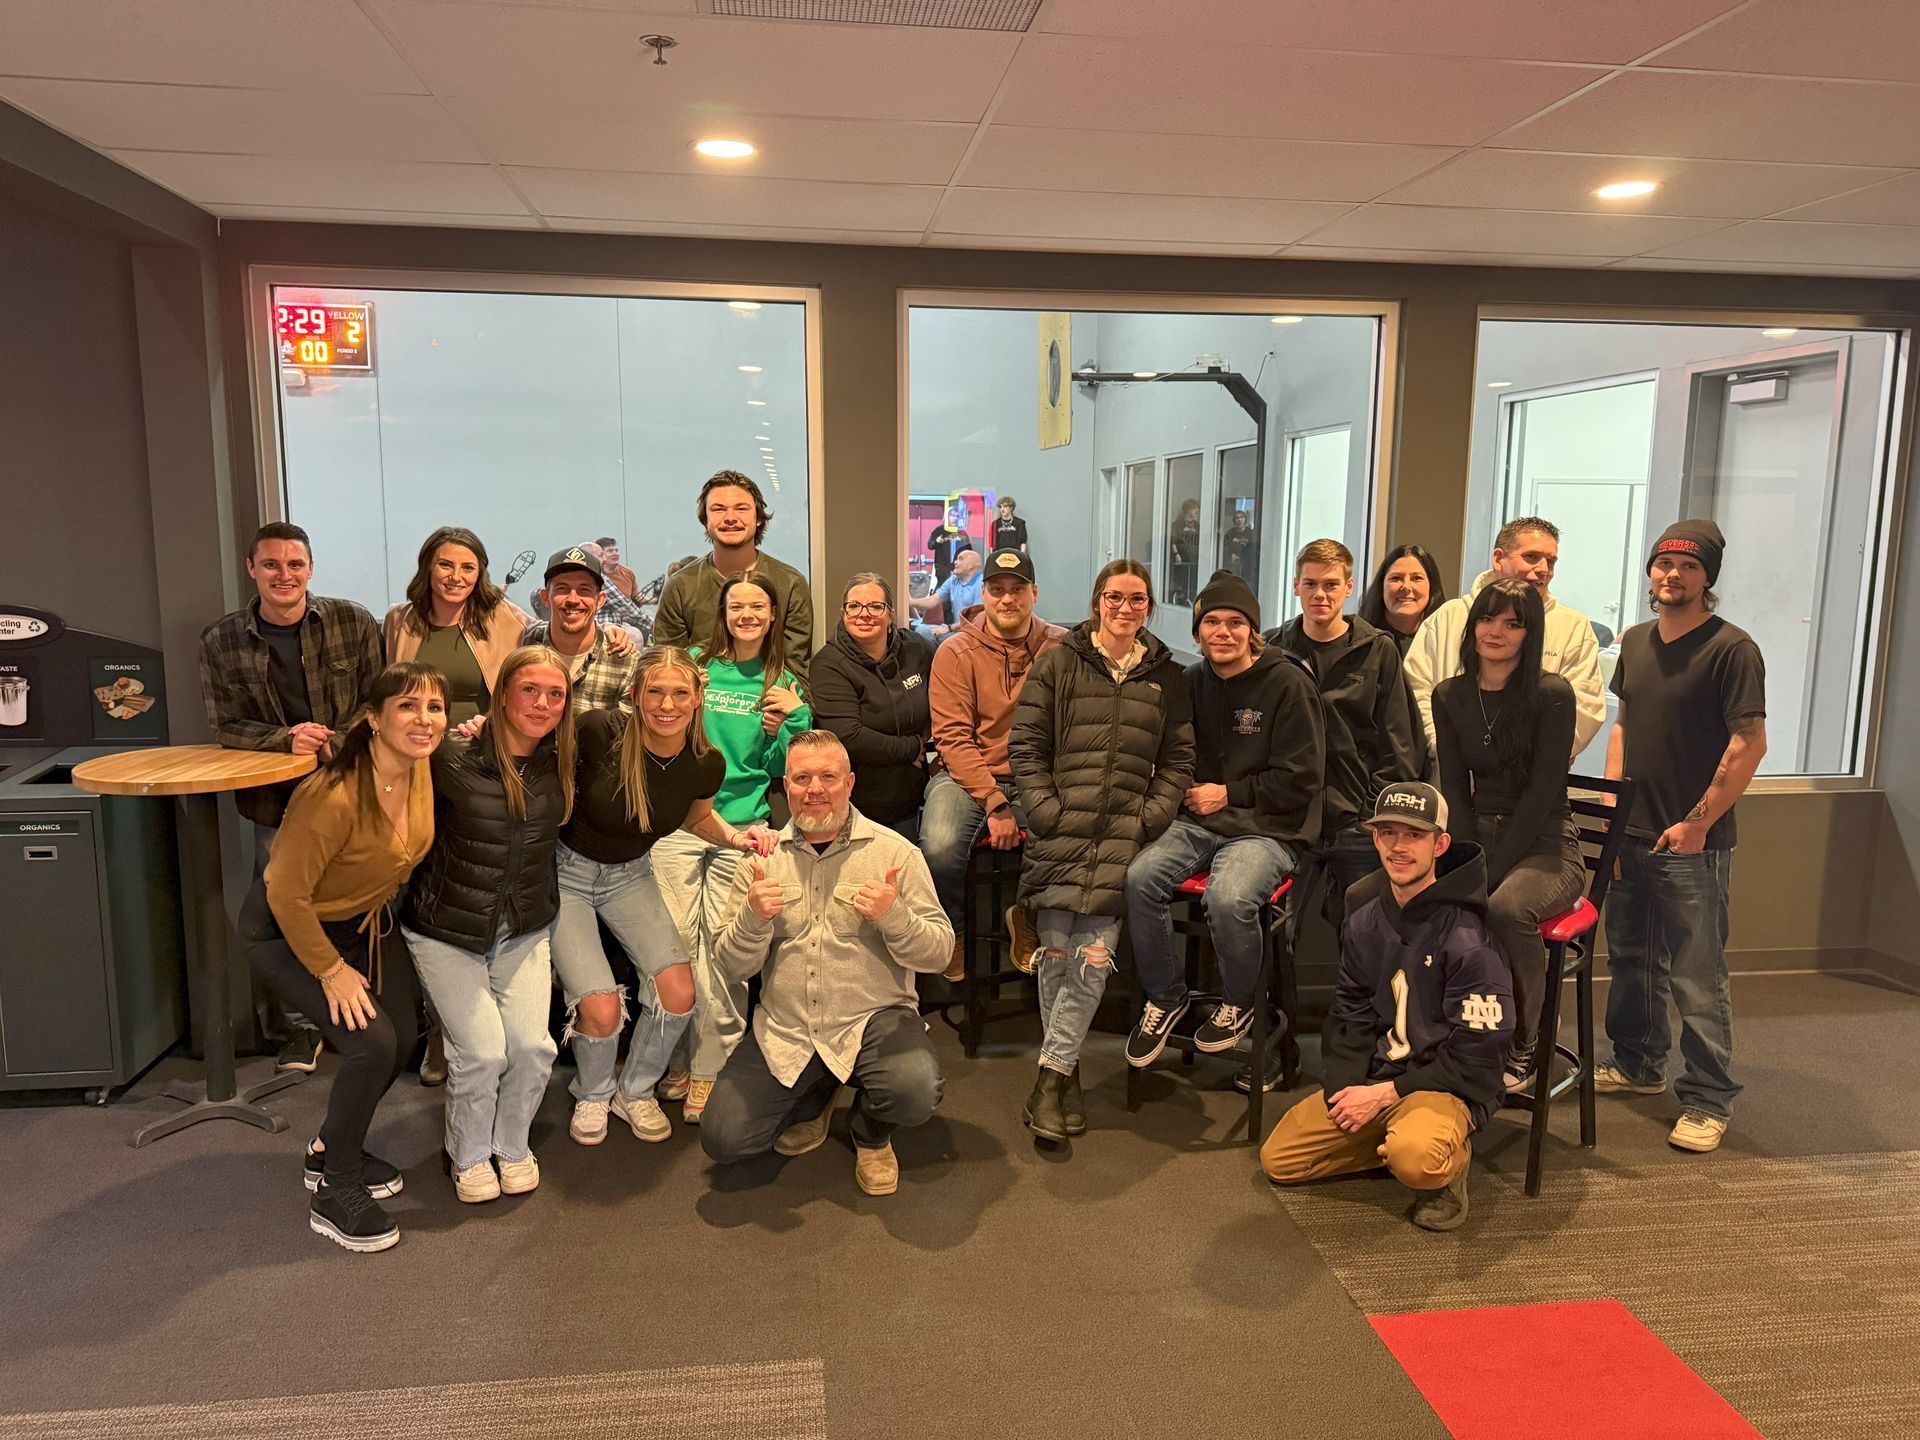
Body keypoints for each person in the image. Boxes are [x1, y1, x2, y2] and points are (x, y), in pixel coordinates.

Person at [243, 661, 446, 1252]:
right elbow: (284, 892)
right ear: (373, 720)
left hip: (363, 925)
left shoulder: (421, 765)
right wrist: (330, 971)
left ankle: (331, 1146)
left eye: (434, 707)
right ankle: (335, 1191)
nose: (424, 719)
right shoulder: (331, 796)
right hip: (288, 933)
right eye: (408, 707)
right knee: (370, 1044)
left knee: (403, 1035)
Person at [701, 731, 952, 1195]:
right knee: (724, 1139)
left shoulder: (895, 853)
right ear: (786, 785)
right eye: (802, 778)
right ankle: (818, 1091)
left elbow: (939, 952)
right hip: (788, 1028)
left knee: (913, 1091)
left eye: (828, 777)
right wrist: (754, 918)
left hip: (872, 1021)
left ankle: (871, 1132)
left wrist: (893, 916)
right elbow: (732, 968)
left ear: (850, 782)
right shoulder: (761, 860)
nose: (815, 788)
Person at [1260, 783, 1513, 1233]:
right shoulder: (1364, 919)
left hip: (1444, 1086)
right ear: (1374, 839)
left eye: (1414, 836)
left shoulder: (1469, 939)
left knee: (1418, 1160)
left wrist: (1387, 1095)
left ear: (1440, 845)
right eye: (1388, 833)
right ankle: (1396, 1142)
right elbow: (1350, 1011)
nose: (1399, 847)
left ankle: (1443, 1167)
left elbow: (1479, 1059)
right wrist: (1350, 1087)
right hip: (1383, 1076)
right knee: (1280, 1160)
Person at [554, 646, 775, 1148]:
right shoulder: (597, 732)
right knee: (603, 1009)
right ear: (635, 694)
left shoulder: (704, 762)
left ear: (699, 698)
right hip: (568, 874)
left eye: (680, 692)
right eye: (655, 691)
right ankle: (592, 1092)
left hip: (630, 874)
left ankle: (634, 1091)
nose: (667, 704)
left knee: (679, 994)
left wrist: (737, 838)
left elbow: (697, 819)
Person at [1010, 559, 1194, 1146]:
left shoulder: (1168, 675)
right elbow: (1026, 745)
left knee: (1092, 961)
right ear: (1096, 602)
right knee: (1057, 958)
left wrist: (1149, 818)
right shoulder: (1059, 661)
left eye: (1137, 599)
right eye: (1114, 597)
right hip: (1061, 830)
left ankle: (1050, 1078)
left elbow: (1179, 762)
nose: (1125, 608)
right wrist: (1044, 812)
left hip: (1122, 835)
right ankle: (1065, 1074)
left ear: (1149, 608)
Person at [1599, 520, 1766, 1155]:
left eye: (1688, 567)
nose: (1673, 575)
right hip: (1634, 834)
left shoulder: (1732, 649)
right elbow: (1623, 728)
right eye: (1664, 563)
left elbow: (1749, 743)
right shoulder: (1637, 643)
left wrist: (1696, 821)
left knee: (1697, 973)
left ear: (1707, 578)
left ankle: (1707, 1097)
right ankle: (1640, 1064)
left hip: (1693, 841)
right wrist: (1614, 816)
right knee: (1634, 959)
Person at [200, 520, 384, 1072]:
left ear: (311, 568)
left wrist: (336, 738)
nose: (285, 575)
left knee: (360, 900)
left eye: (295, 564)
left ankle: (368, 1015)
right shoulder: (221, 639)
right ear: (251, 569)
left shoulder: (352, 620)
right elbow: (224, 724)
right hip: (276, 803)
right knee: (285, 905)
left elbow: (379, 700)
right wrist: (287, 740)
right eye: (272, 564)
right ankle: (304, 1026)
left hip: (353, 789)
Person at [1124, 569, 1321, 1076]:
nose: (1223, 632)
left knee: (1228, 898)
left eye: (1236, 622)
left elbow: (1303, 778)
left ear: (1252, 630)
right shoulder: (1191, 681)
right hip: (1201, 822)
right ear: (1197, 632)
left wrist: (1230, 792)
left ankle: (1238, 1002)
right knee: (1140, 878)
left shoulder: (1288, 682)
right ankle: (1167, 999)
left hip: (1269, 826)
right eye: (1211, 621)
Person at [401, 646, 573, 1203]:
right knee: (480, 1052)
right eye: (529, 690)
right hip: (447, 928)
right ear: (501, 695)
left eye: (555, 694)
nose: (542, 704)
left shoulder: (562, 759)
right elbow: (373, 754)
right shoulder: (450, 756)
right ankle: (468, 1153)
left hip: (522, 927)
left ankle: (511, 1144)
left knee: (532, 1048)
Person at [651, 572, 812, 1123]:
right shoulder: (695, 665)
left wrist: (787, 723)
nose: (746, 614)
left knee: (725, 952)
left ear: (772, 617)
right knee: (673, 944)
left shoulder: (783, 682)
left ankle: (709, 1067)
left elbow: (774, 771)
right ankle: (675, 1055)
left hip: (744, 829)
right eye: (736, 605)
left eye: (758, 606)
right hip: (679, 824)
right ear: (723, 613)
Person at [1431, 579, 1585, 1097]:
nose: (1495, 632)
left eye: (1512, 623)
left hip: (1547, 845)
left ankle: (1525, 1042)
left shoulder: (1551, 694)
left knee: (1502, 909)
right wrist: (1464, 859)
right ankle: (1450, 1030)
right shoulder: (1450, 694)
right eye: (1487, 618)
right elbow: (1453, 786)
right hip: (1478, 835)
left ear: (1530, 633)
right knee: (1415, 899)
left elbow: (1544, 793)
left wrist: (1487, 876)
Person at [925, 548, 1067, 982]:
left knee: (1068, 836)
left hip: (1038, 777)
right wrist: (993, 801)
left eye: (1018, 590)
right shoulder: (954, 651)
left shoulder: (1062, 647)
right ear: (982, 594)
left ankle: (1026, 914)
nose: (1008, 600)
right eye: (998, 590)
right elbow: (953, 738)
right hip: (966, 777)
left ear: (1034, 593)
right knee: (940, 845)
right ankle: (954, 930)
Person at [1271, 540, 1421, 920]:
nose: (1320, 594)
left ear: (1349, 587)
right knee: (1276, 936)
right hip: (1288, 823)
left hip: (1357, 822)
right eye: (1310, 584)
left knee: (1363, 934)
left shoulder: (1377, 650)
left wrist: (1369, 814)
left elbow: (1400, 745)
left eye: (1331, 585)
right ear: (1295, 586)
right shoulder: (1272, 649)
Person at [1404, 517, 1603, 762]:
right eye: (1531, 557)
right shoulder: (1449, 616)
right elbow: (1418, 692)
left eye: (1550, 561)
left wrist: (1515, 760)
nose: (1543, 569)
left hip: (1532, 777)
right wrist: (1448, 750)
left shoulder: (1572, 627)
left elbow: (1584, 709)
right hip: (1449, 773)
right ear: (1498, 558)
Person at [809, 573, 935, 843]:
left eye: (875, 606)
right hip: (857, 804)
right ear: (843, 613)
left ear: (890, 614)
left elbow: (946, 691)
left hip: (911, 798)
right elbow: (848, 736)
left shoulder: (917, 649)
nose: (863, 614)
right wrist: (912, 748)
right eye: (854, 606)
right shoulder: (829, 663)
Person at [653, 471, 814, 667]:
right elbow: (667, 666)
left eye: (741, 509)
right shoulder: (680, 586)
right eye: (718, 509)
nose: (730, 518)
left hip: (771, 695)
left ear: (758, 518)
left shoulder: (790, 584)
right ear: (705, 519)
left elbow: (795, 669)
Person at [383, 525, 535, 728]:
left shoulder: (506, 616)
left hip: (483, 742)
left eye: (468, 568)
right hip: (414, 740)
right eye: (445, 565)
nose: (456, 577)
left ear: (479, 574)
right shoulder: (398, 619)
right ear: (428, 567)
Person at [521, 546, 640, 715]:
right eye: (562, 589)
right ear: (545, 597)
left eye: (584, 590)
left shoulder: (625, 660)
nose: (573, 600)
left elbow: (628, 733)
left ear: (600, 601)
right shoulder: (523, 646)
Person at [1357, 543, 1447, 659]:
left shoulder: (1446, 642)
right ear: (1381, 586)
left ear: (1431, 586)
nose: (1406, 586)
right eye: (1396, 578)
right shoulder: (1359, 642)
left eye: (1416, 578)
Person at [907, 546, 983, 640]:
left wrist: (949, 628)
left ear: (971, 565)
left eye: (960, 559)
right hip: (957, 631)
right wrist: (909, 602)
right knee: (921, 630)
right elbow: (933, 601)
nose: (955, 562)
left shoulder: (982, 584)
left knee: (924, 634)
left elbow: (975, 619)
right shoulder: (954, 580)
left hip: (973, 635)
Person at [926, 503, 975, 586]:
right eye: (952, 516)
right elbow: (930, 545)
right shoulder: (939, 530)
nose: (955, 518)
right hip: (943, 570)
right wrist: (937, 542)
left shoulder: (962, 532)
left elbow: (969, 551)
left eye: (957, 516)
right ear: (947, 516)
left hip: (959, 570)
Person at [1168, 497, 1202, 607]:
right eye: (1193, 508)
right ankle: (1179, 599)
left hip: (1193, 558)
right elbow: (1173, 540)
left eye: (1197, 508)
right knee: (1181, 580)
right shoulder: (1177, 525)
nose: (1196, 510)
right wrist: (1176, 554)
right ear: (1187, 510)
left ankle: (1191, 599)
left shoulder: (1197, 526)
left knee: (1192, 580)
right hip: (1181, 558)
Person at [1222, 508, 1258, 586]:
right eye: (1237, 517)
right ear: (1234, 520)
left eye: (1242, 517)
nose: (1239, 519)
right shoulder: (1229, 533)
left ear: (1245, 519)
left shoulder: (1251, 534)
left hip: (1248, 567)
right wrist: (1230, 555)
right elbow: (1224, 548)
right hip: (1233, 566)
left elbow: (1254, 549)